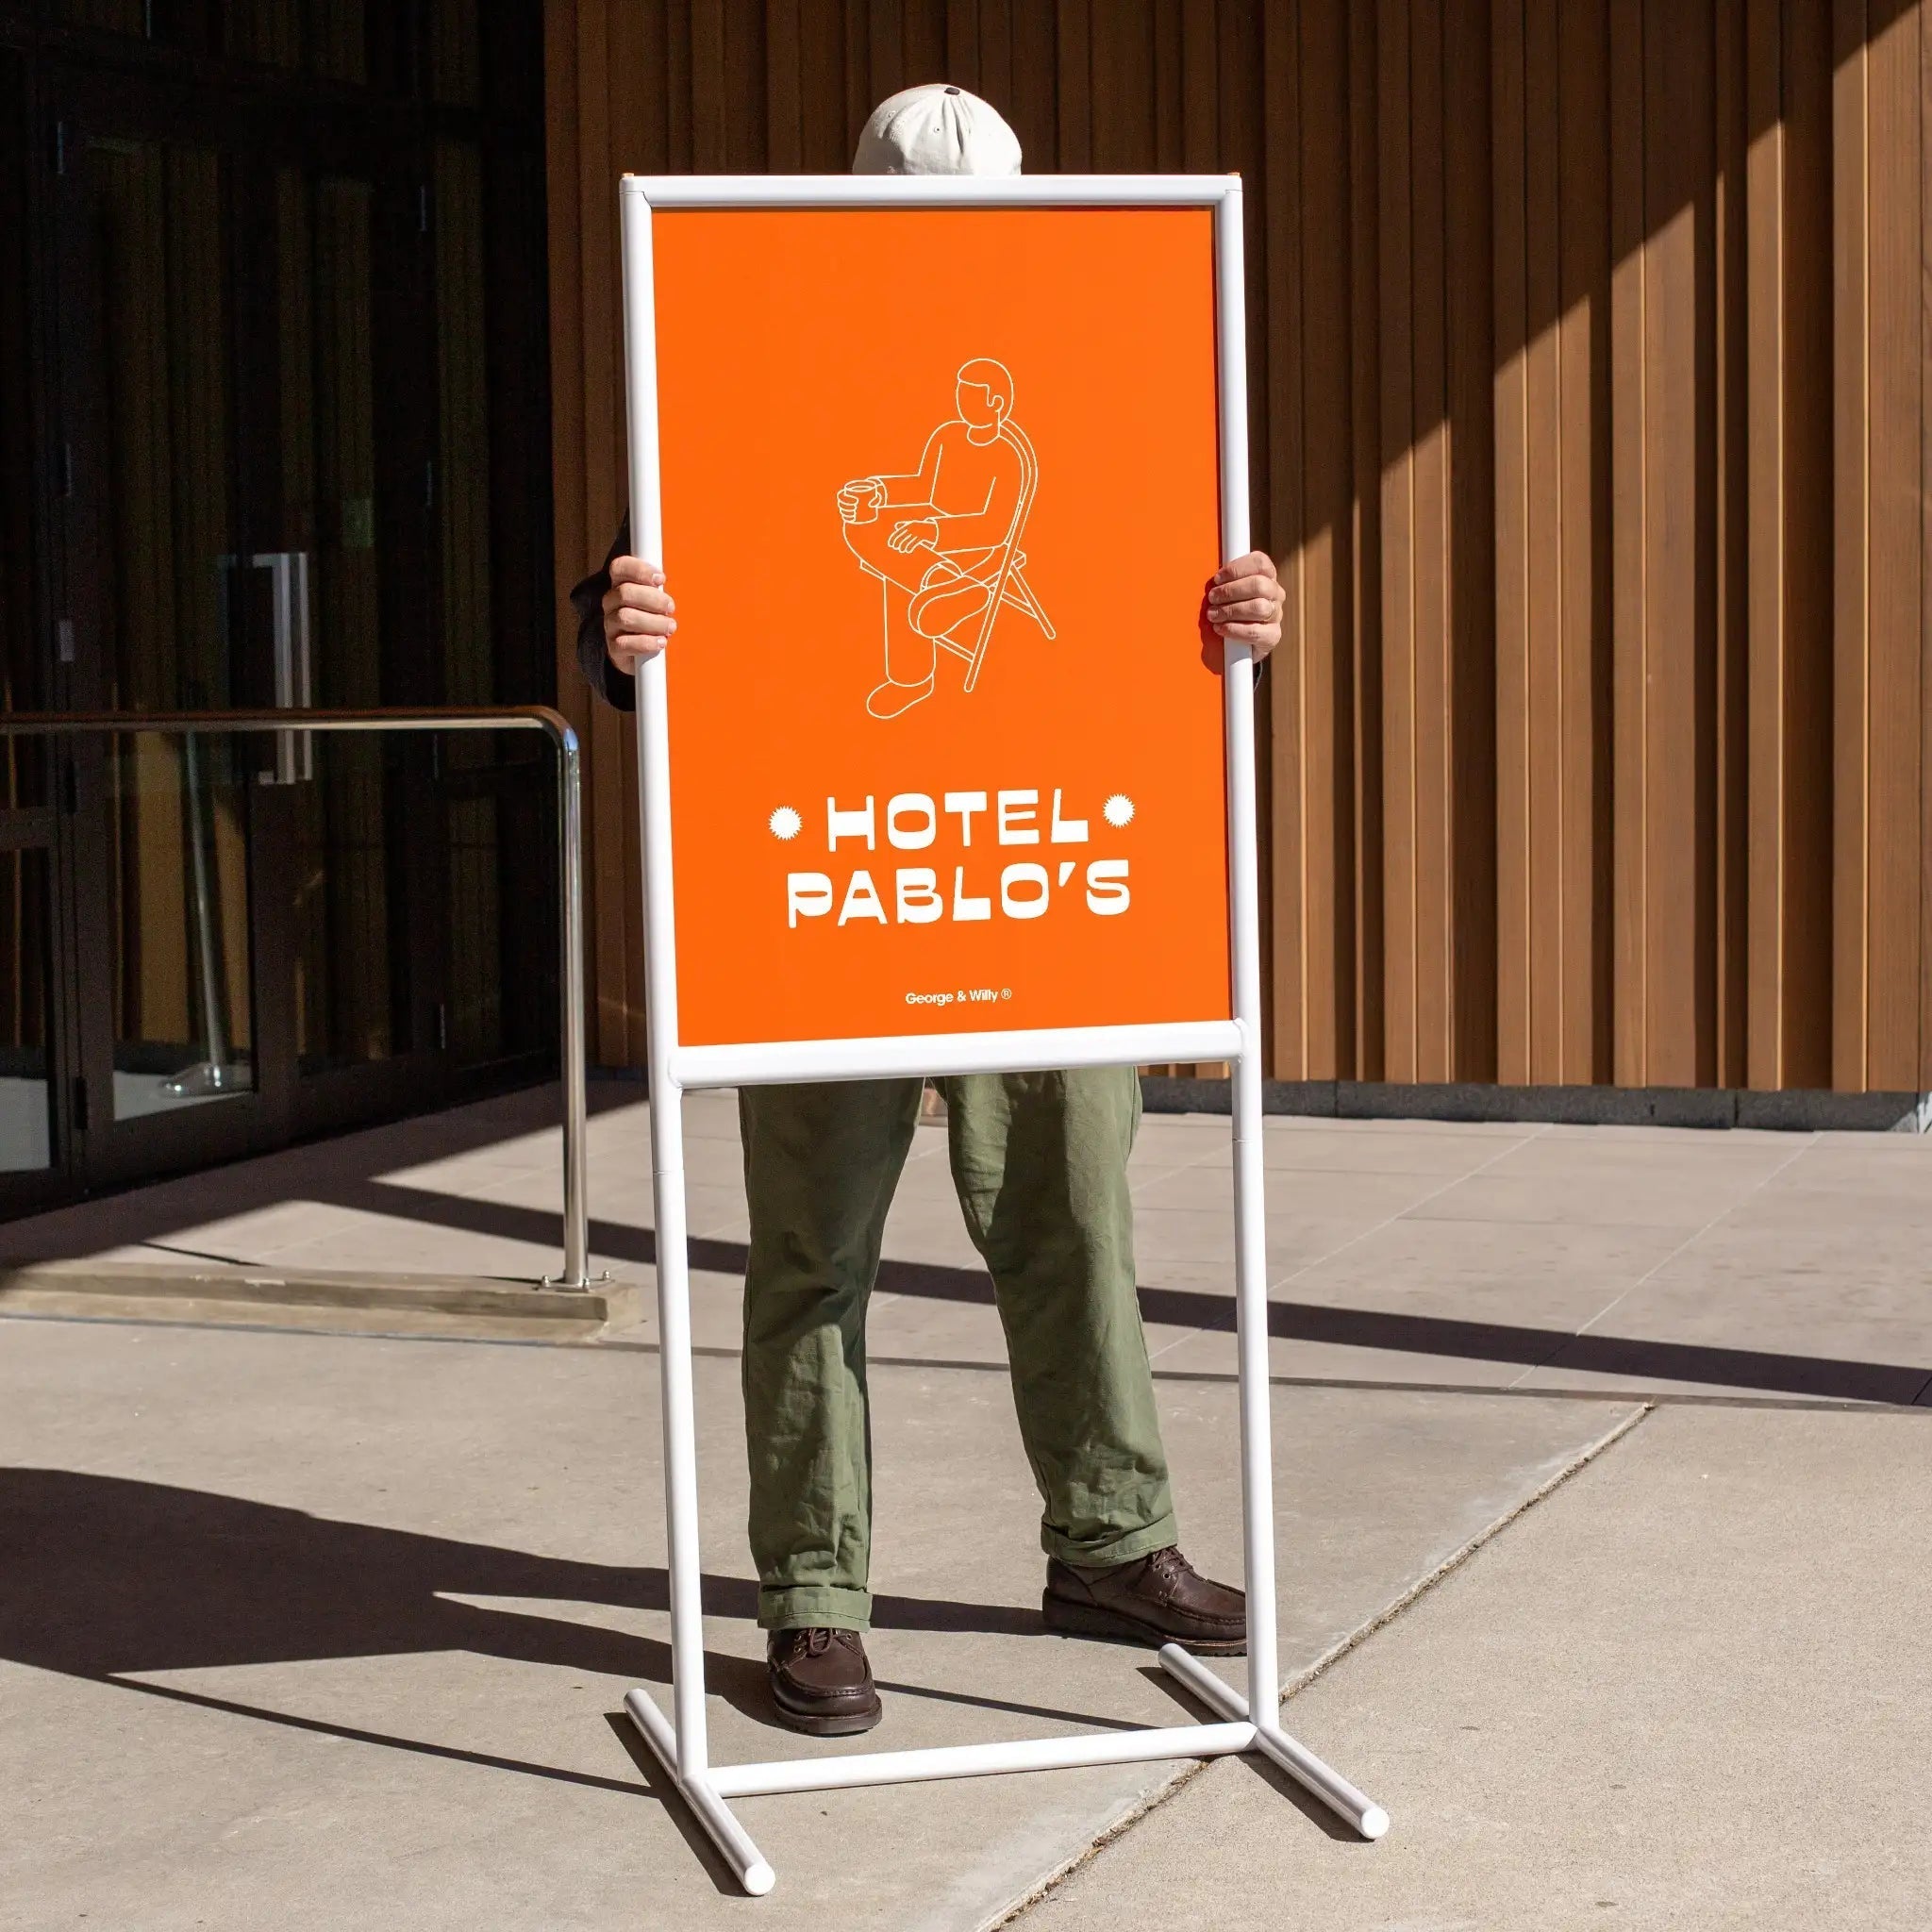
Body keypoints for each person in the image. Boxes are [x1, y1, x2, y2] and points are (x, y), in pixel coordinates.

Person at [572, 83, 1288, 1740]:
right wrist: (625, 624)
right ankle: (813, 1600)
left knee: (1073, 1224)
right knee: (813, 1255)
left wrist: (1240, 609)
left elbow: (1152, 592)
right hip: (826, 892)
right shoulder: (749, 340)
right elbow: (637, 619)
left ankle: (1109, 1539)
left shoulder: (1105, 350)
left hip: (1029, 881)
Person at [838, 355, 1045, 718]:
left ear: (996, 402)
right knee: (862, 528)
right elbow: (921, 486)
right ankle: (950, 588)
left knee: (899, 562)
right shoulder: (947, 436)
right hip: (933, 543)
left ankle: (911, 680)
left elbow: (995, 528)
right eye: (958, 393)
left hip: (982, 550)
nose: (960, 402)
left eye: (969, 396)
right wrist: (878, 492)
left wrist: (931, 531)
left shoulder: (1007, 457)